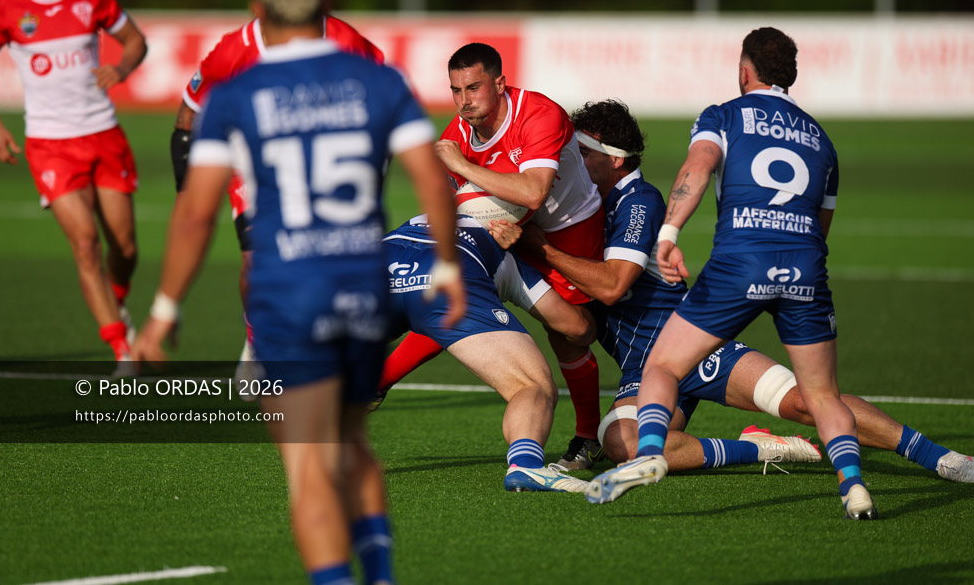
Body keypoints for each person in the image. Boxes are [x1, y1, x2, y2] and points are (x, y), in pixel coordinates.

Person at [131, 0, 463, 584]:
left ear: (257, 7)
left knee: (307, 463)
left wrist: (164, 310)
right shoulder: (379, 80)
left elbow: (197, 213)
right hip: (363, 285)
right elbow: (429, 177)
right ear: (328, 3)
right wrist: (446, 264)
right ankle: (382, 573)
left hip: (289, 289)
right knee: (353, 442)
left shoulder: (238, 93)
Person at [512, 98, 973, 485]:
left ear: (613, 159)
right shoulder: (583, 209)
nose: (566, 162)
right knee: (624, 445)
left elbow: (612, 287)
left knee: (804, 401)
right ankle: (757, 448)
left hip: (690, 343)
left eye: (579, 152)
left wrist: (542, 249)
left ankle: (940, 458)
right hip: (641, 367)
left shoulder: (638, 200)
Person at [585, 28, 877, 519]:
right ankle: (854, 486)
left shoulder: (724, 114)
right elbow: (818, 228)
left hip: (738, 264)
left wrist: (669, 233)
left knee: (663, 366)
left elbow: (697, 169)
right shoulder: (821, 139)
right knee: (822, 394)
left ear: (746, 71)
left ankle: (652, 454)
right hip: (805, 269)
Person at [383, 42, 606, 471]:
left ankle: (586, 436)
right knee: (454, 301)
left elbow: (533, 192)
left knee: (571, 335)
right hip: (505, 233)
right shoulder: (459, 131)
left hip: (567, 227)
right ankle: (379, 381)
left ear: (500, 83)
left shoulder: (540, 114)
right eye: (455, 90)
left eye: (474, 87)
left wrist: (463, 169)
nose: (465, 100)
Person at [170, 0, 384, 365]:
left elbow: (379, 95)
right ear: (260, 6)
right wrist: (187, 189)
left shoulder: (344, 39)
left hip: (319, 165)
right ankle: (257, 341)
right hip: (251, 166)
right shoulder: (233, 50)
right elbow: (189, 113)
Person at [0, 0, 147, 367]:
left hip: (104, 134)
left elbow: (135, 40)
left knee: (125, 247)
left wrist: (123, 69)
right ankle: (121, 349)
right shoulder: (5, 11)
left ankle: (119, 302)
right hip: (51, 143)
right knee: (85, 242)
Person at [383, 214, 589, 493]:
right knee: (531, 386)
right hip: (452, 268)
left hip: (381, 259)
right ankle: (526, 466)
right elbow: (574, 328)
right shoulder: (506, 248)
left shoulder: (432, 211)